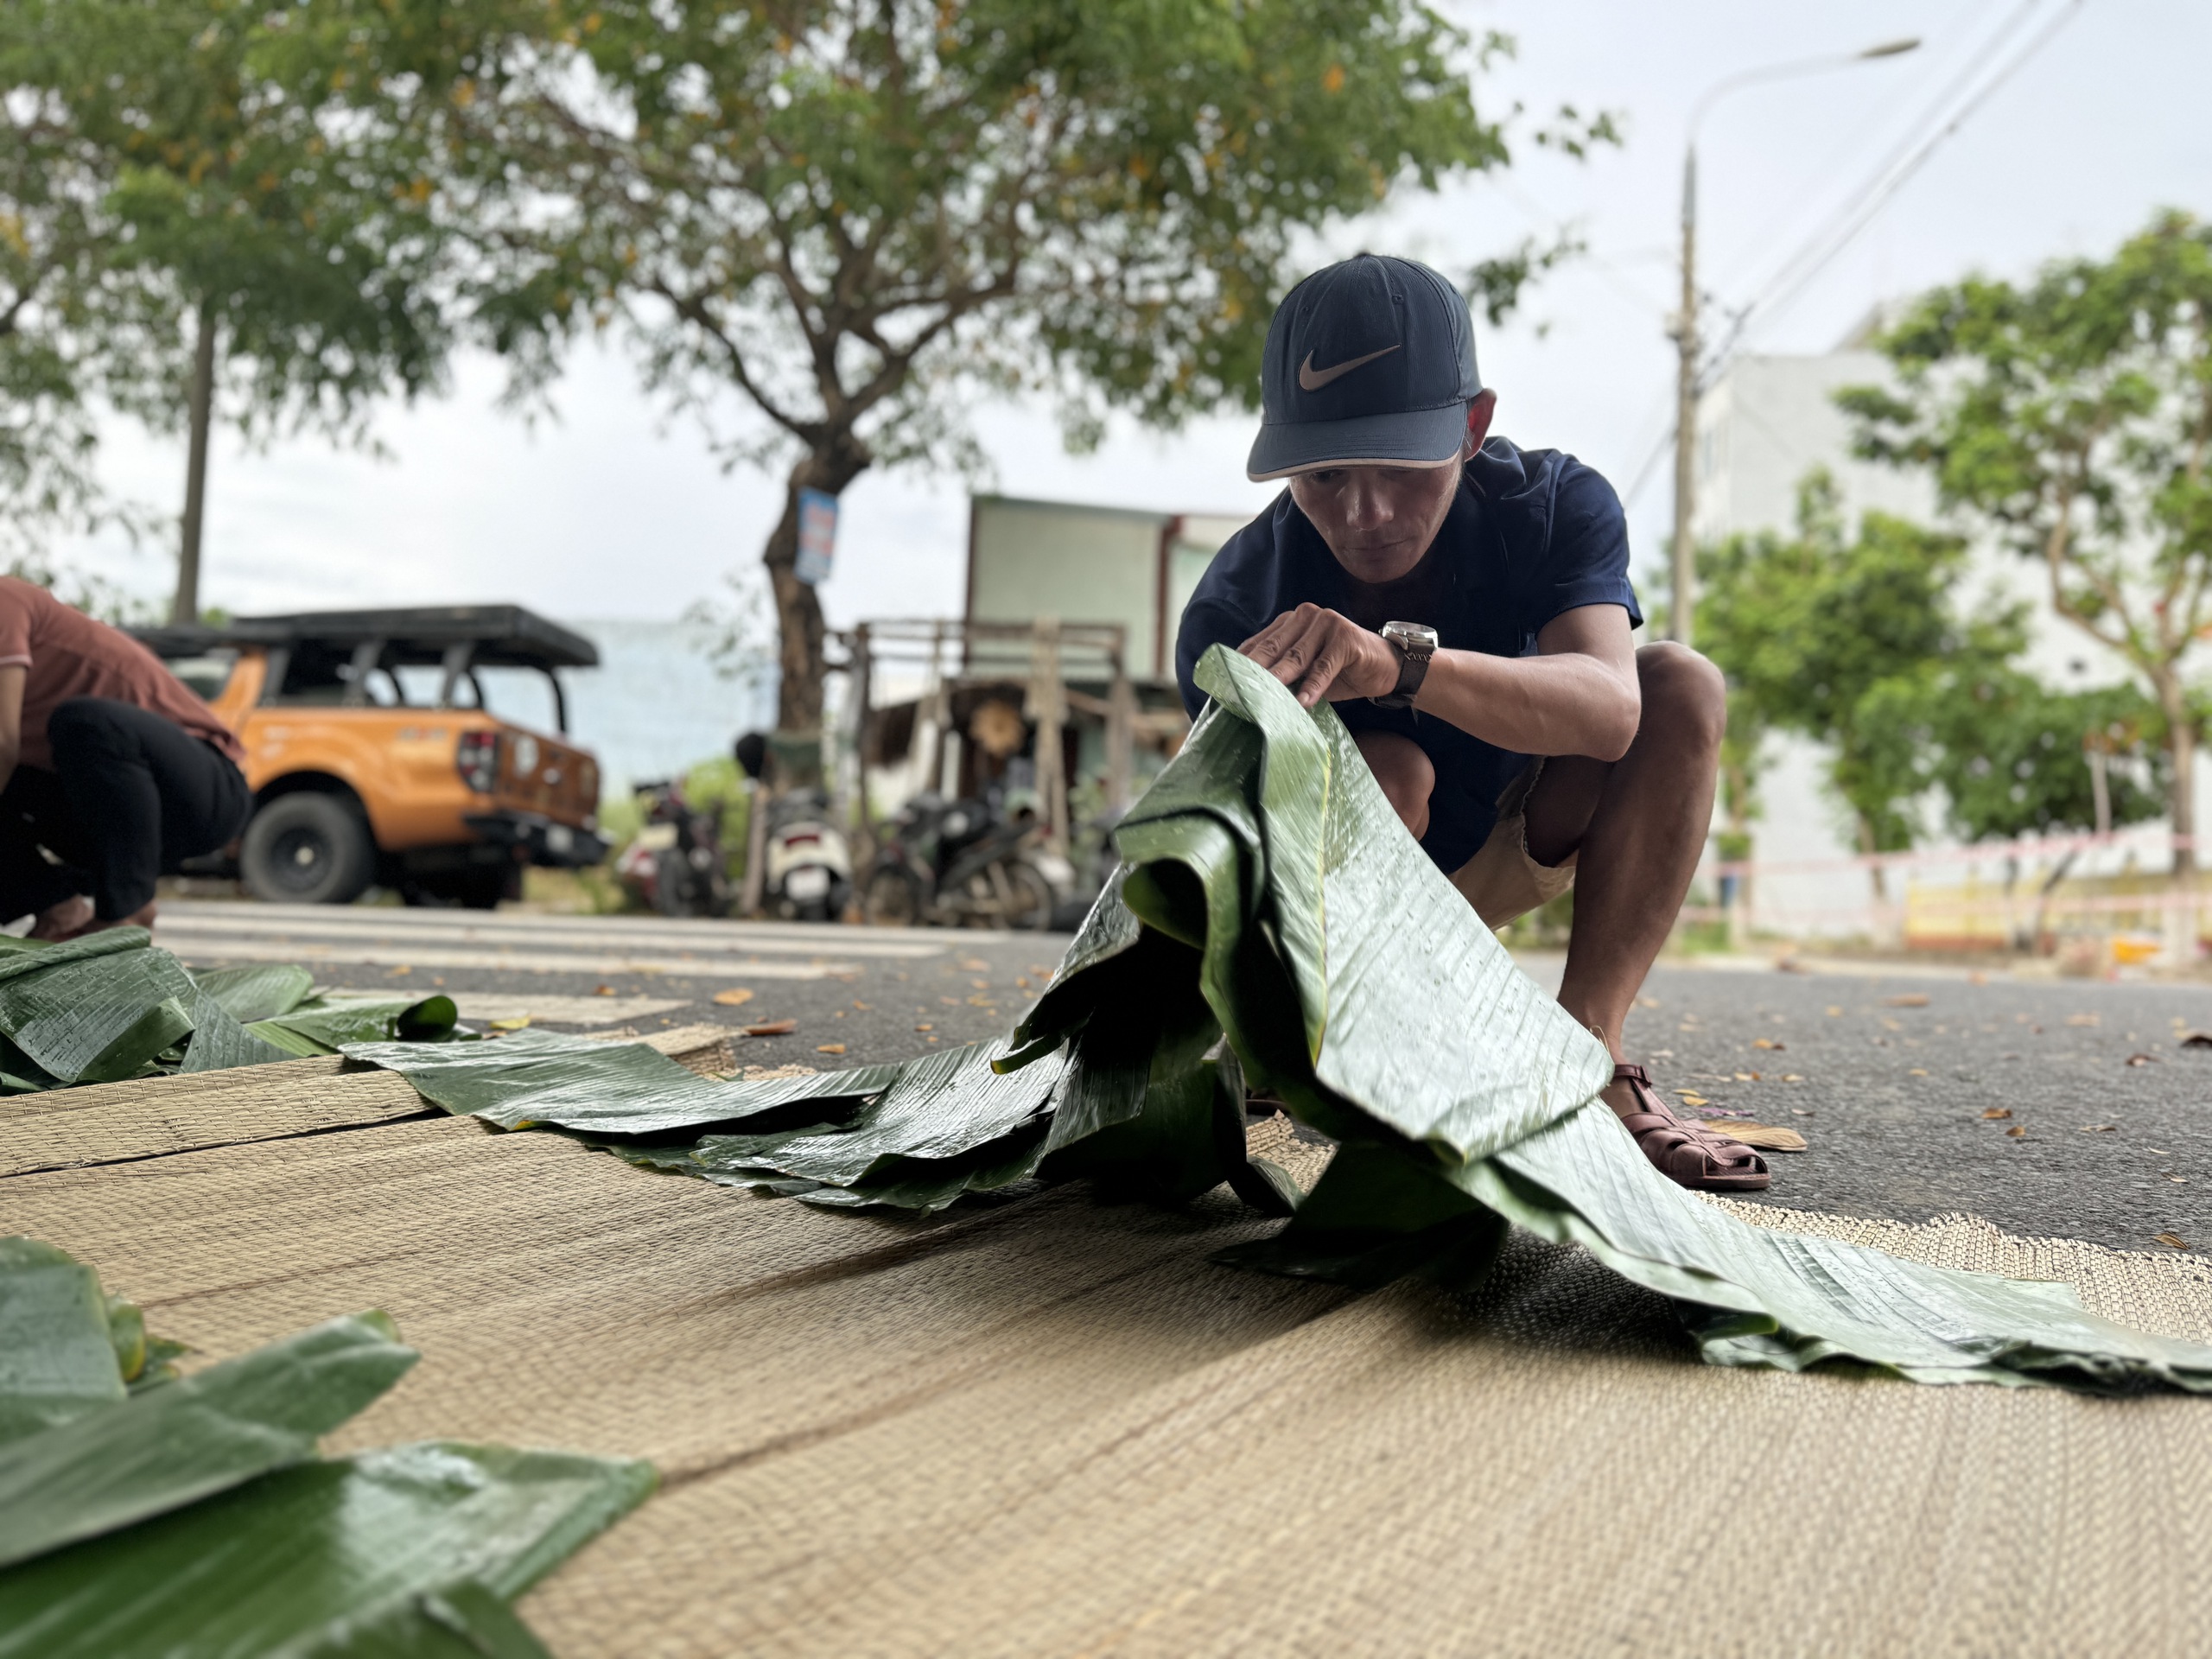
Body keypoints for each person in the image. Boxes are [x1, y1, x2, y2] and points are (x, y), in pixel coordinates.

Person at [1176, 252, 1766, 1192]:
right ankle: (1310, 1045)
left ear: (1471, 426)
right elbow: (1217, 853)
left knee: (1680, 685)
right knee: (1394, 770)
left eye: (1400, 467)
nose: (1363, 514)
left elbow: (1613, 712)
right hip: (1337, 913)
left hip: (1506, 833)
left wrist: (1392, 660)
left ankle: (1588, 1059)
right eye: (1323, 475)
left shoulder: (1553, 504)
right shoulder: (1239, 604)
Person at [0, 579, 251, 939]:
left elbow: (2, 742)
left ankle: (127, 911)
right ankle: (56, 907)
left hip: (202, 794)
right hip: (100, 817)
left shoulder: (4, 602)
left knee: (82, 721)